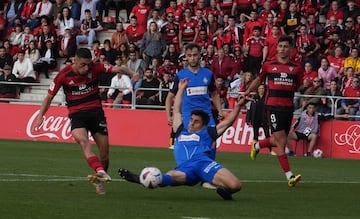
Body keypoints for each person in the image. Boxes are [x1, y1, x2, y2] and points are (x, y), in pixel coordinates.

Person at [32, 48, 139, 195]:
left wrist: (132, 73)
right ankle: (99, 171)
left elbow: (118, 68)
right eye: (83, 64)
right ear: (75, 60)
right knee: (83, 142)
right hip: (77, 115)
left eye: (88, 64)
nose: (87, 68)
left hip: (96, 113)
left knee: (105, 154)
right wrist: (40, 117)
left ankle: (101, 174)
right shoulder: (63, 75)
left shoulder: (95, 67)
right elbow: (48, 98)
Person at [119, 78, 243, 200]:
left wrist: (238, 106)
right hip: (185, 169)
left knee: (236, 185)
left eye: (196, 122)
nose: (191, 123)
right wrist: (181, 89)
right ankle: (141, 178)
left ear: (203, 125)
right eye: (191, 120)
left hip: (203, 164)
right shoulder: (180, 131)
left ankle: (225, 191)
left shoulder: (208, 132)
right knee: (168, 176)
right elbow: (177, 110)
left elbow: (227, 122)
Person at [245, 35, 302, 187]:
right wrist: (248, 91)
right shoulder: (269, 64)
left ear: (290, 49)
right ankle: (290, 176)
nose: (283, 49)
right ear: (276, 48)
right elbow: (258, 79)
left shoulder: (296, 67)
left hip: (288, 108)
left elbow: (300, 85)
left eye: (286, 46)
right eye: (280, 46)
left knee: (278, 139)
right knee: (282, 141)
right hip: (272, 107)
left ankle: (257, 146)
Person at [165, 43, 223, 189]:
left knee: (212, 142)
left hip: (207, 116)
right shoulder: (181, 75)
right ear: (186, 57)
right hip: (187, 117)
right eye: (189, 55)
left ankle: (206, 178)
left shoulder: (208, 74)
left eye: (195, 55)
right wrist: (168, 115)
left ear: (200, 55)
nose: (192, 58)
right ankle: (185, 171)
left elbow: (214, 94)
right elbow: (170, 97)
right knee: (185, 145)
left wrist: (220, 110)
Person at [247, 84, 274, 155]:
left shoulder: (266, 98)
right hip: (255, 118)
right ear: (257, 90)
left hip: (264, 119)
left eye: (262, 88)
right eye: (260, 88)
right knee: (255, 135)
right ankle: (255, 150)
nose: (261, 90)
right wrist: (248, 119)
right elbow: (250, 109)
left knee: (267, 135)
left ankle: (271, 150)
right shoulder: (254, 97)